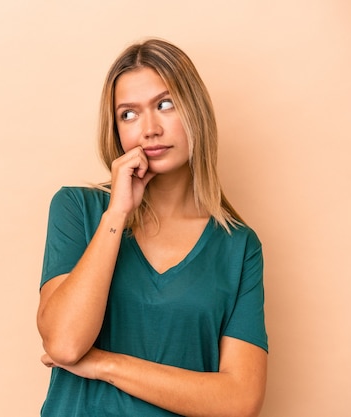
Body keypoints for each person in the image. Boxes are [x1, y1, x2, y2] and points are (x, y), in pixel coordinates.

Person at [36, 38, 268, 417]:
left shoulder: (238, 247)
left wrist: (105, 366)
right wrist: (117, 215)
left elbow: (240, 400)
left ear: (195, 111)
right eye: (128, 114)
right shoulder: (78, 209)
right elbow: (64, 343)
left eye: (165, 105)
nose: (149, 129)